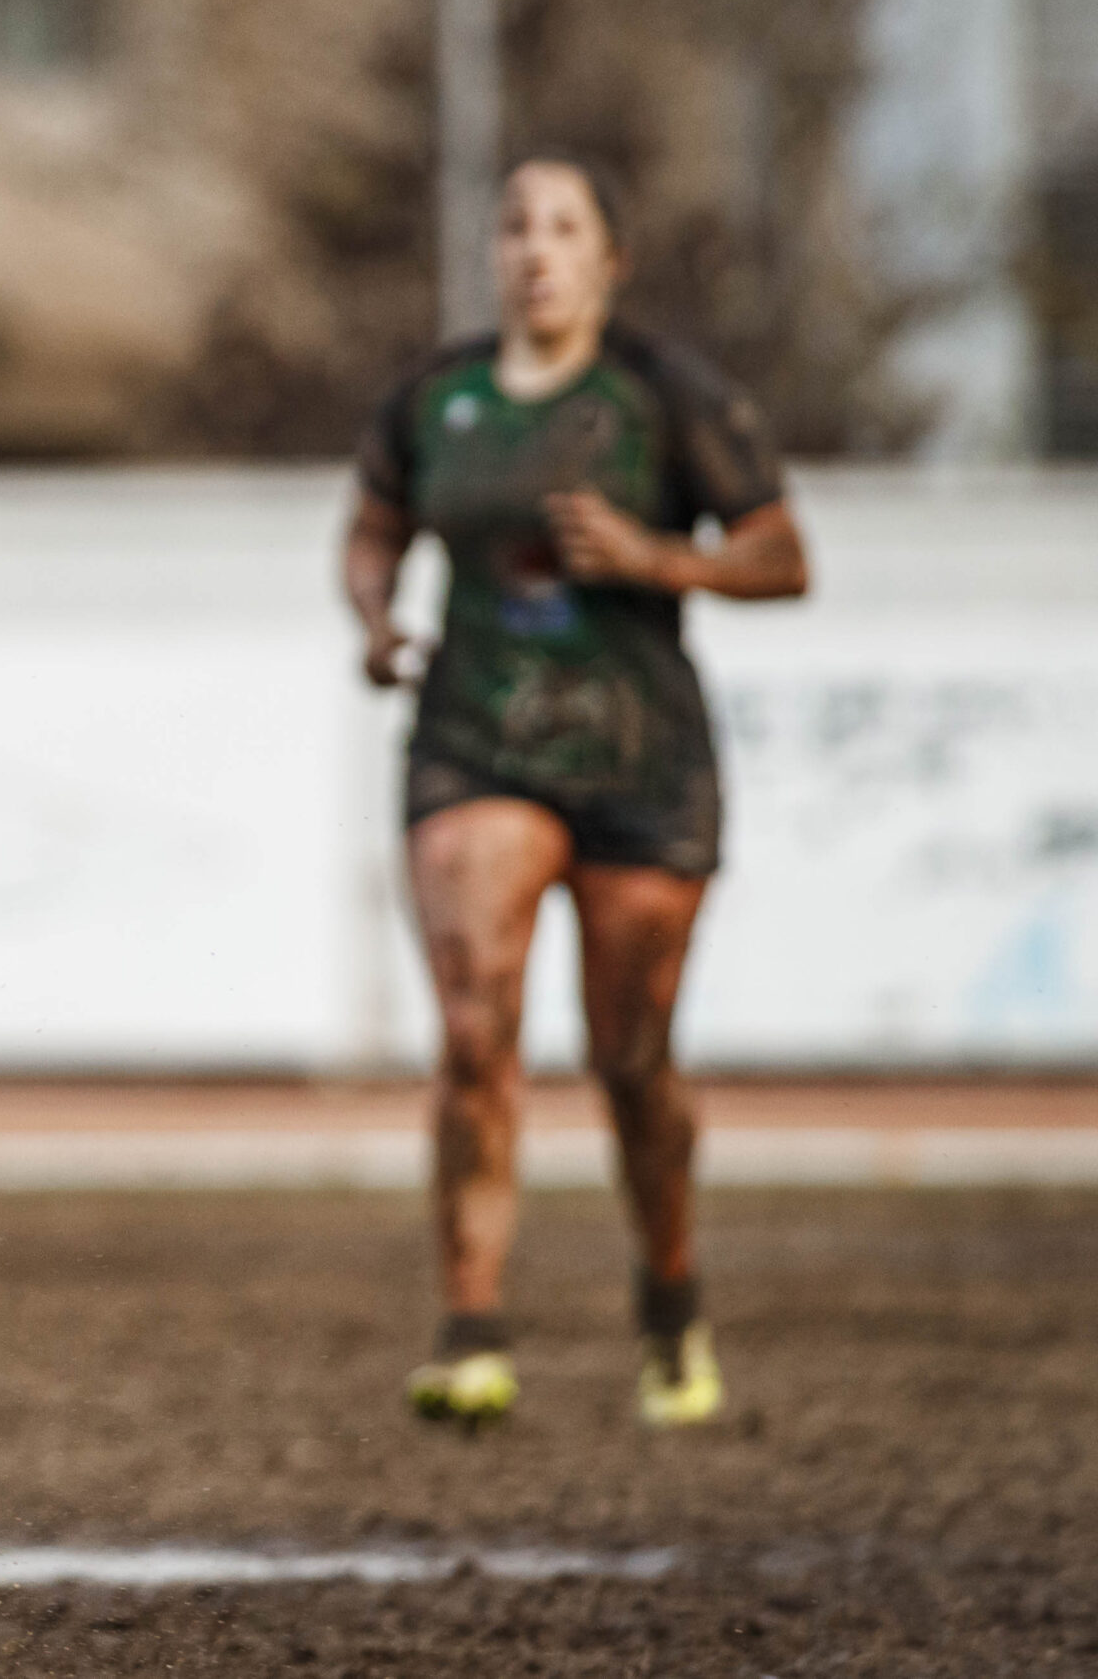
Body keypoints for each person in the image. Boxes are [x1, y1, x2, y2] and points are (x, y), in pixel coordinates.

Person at [343, 154, 809, 1430]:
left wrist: (660, 556)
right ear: (492, 253)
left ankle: (669, 1303)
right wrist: (378, 620)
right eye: (514, 227)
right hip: (474, 740)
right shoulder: (435, 396)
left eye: (563, 229)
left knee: (631, 1058)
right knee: (476, 1026)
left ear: (610, 261)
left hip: (639, 758)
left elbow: (782, 553)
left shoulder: (664, 395)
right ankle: (470, 1329)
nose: (536, 250)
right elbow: (372, 524)